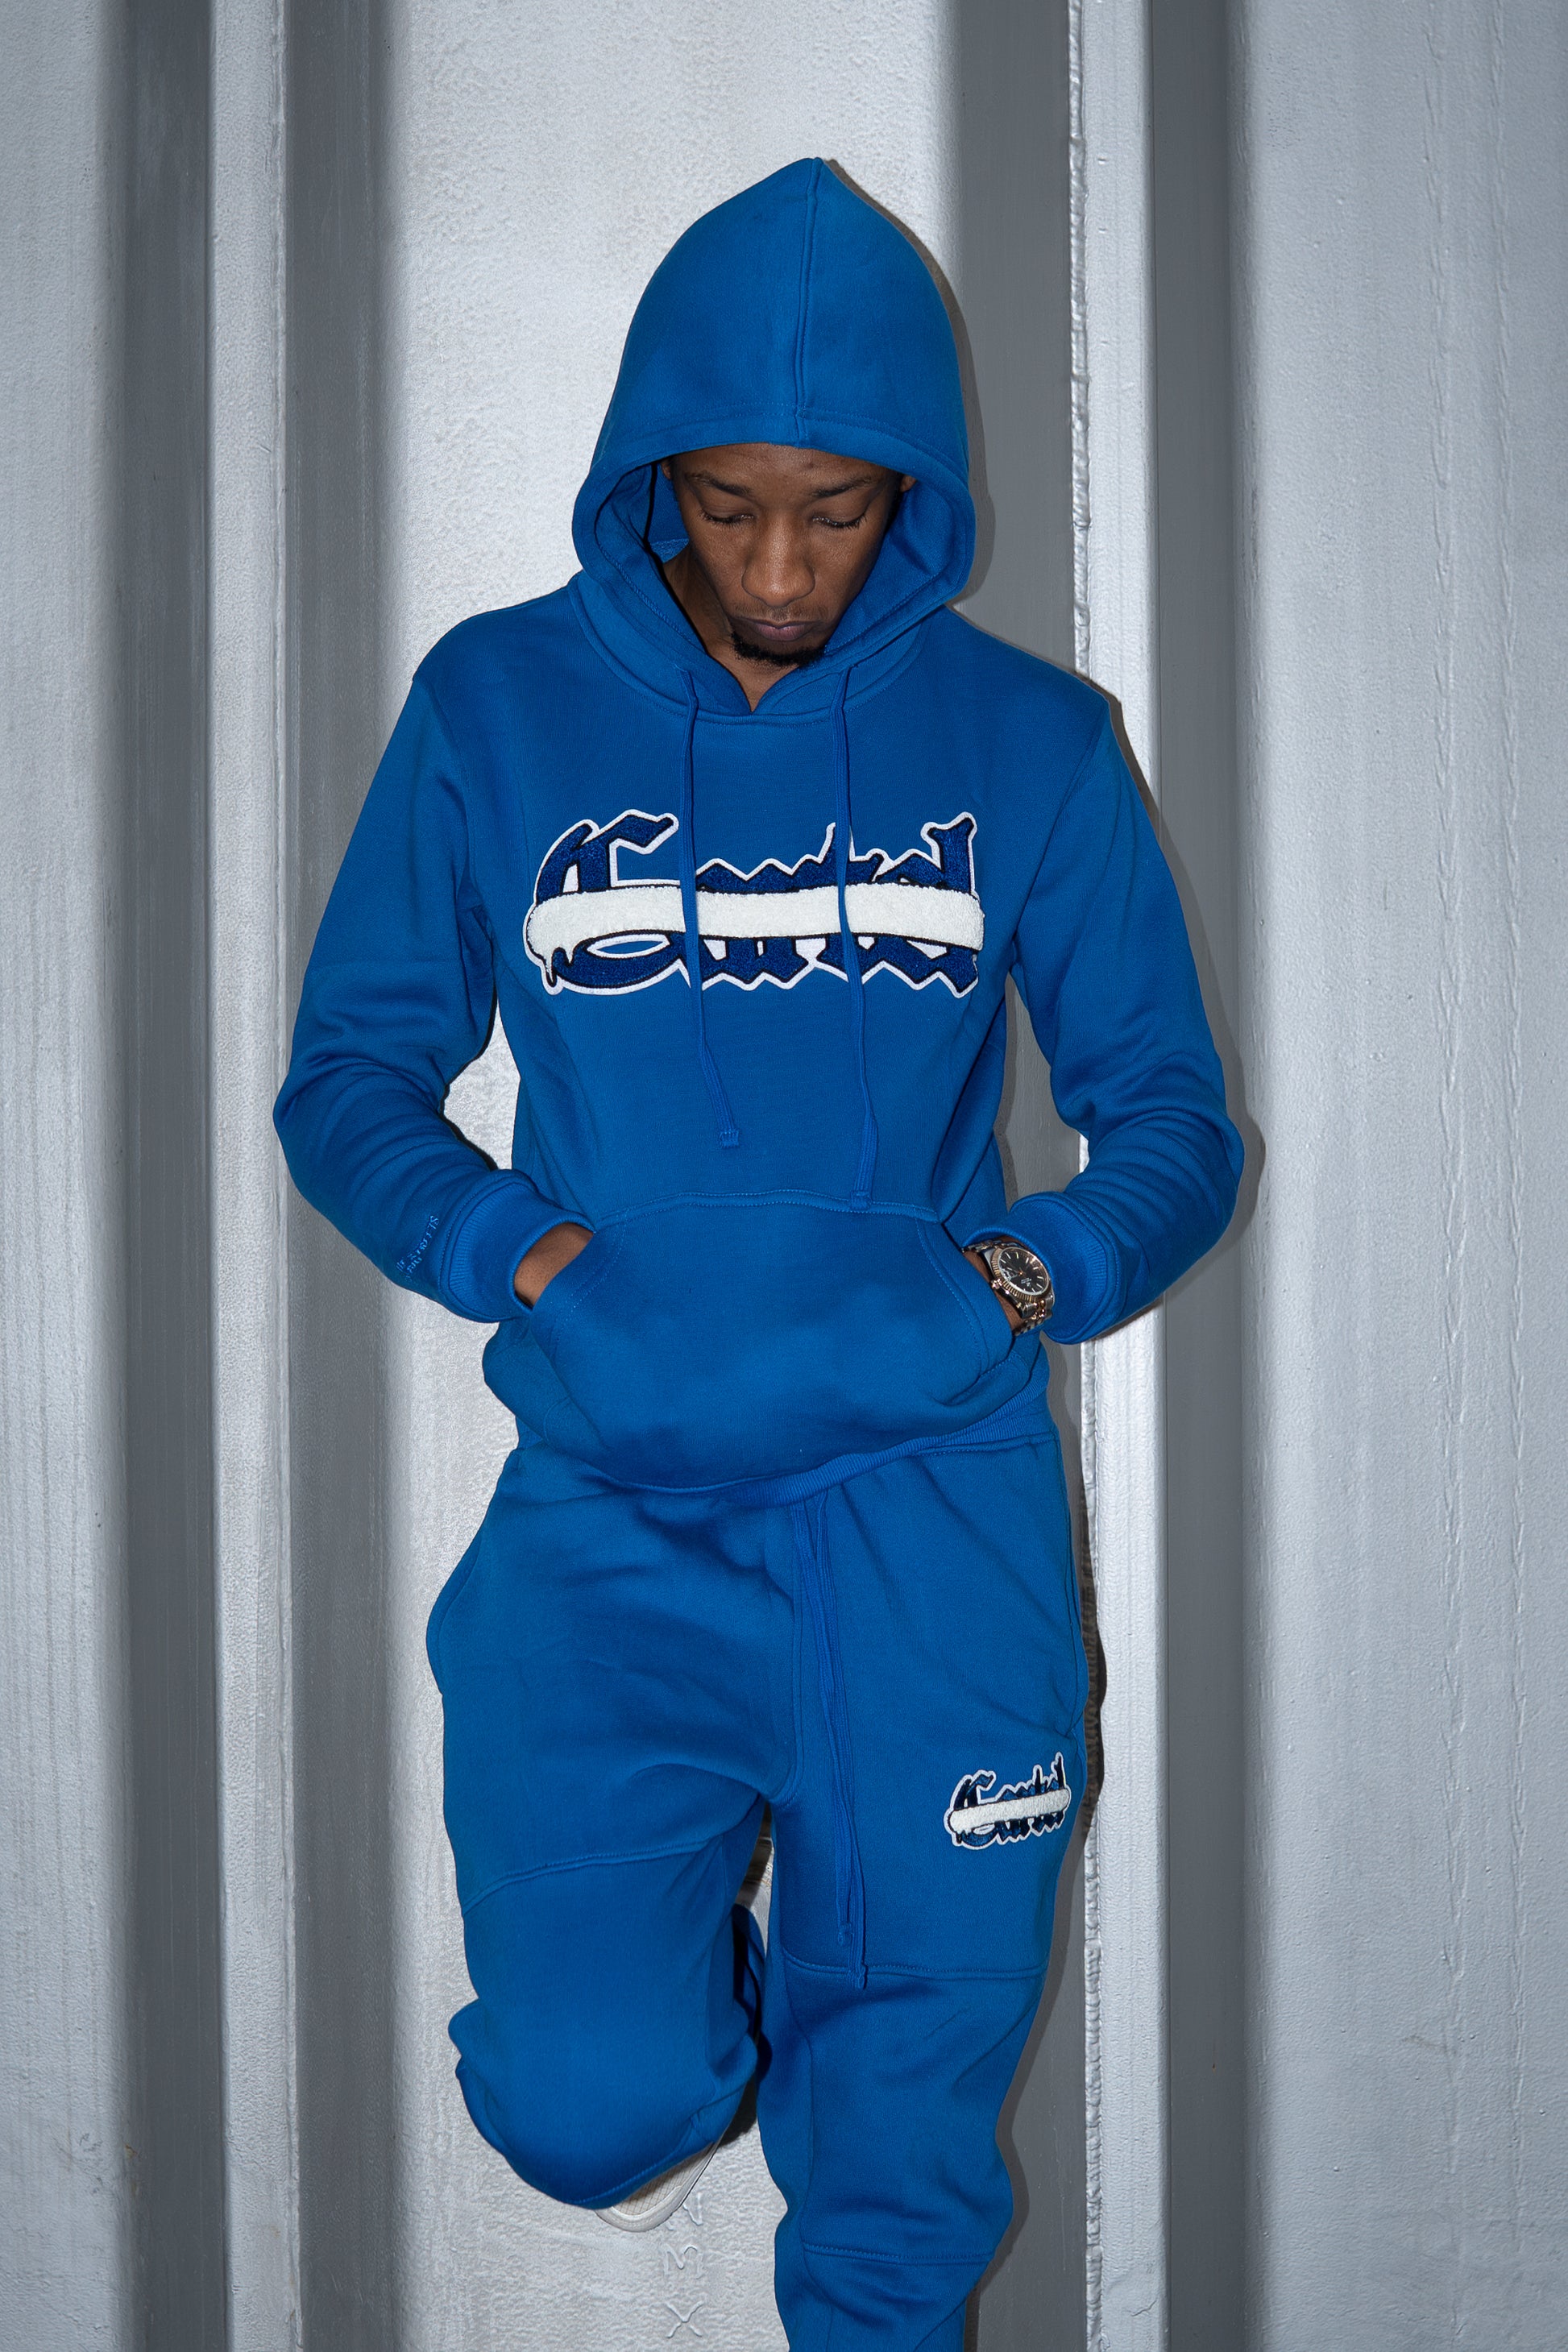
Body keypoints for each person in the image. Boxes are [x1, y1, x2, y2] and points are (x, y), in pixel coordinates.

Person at [275, 156, 1242, 2351]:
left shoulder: (1033, 745)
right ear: (654, 476)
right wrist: (523, 1253)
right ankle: (744, 2010)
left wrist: (1013, 1281)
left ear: (916, 491)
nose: (784, 567)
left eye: (838, 510)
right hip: (613, 1513)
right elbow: (348, 1080)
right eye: (728, 509)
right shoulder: (496, 708)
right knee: (586, 2099)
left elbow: (1176, 1127)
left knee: (903, 2163)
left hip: (936, 1523)